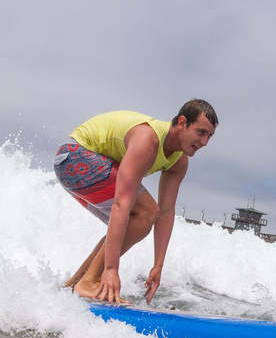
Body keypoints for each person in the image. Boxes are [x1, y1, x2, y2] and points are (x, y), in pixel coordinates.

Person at [54, 100, 218, 304]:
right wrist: (111, 270)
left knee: (137, 220)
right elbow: (122, 204)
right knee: (145, 212)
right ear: (182, 122)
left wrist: (158, 265)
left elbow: (166, 212)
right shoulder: (147, 140)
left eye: (209, 136)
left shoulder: (179, 161)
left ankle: (73, 285)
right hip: (73, 156)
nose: (204, 142)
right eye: (200, 132)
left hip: (79, 168)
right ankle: (89, 282)